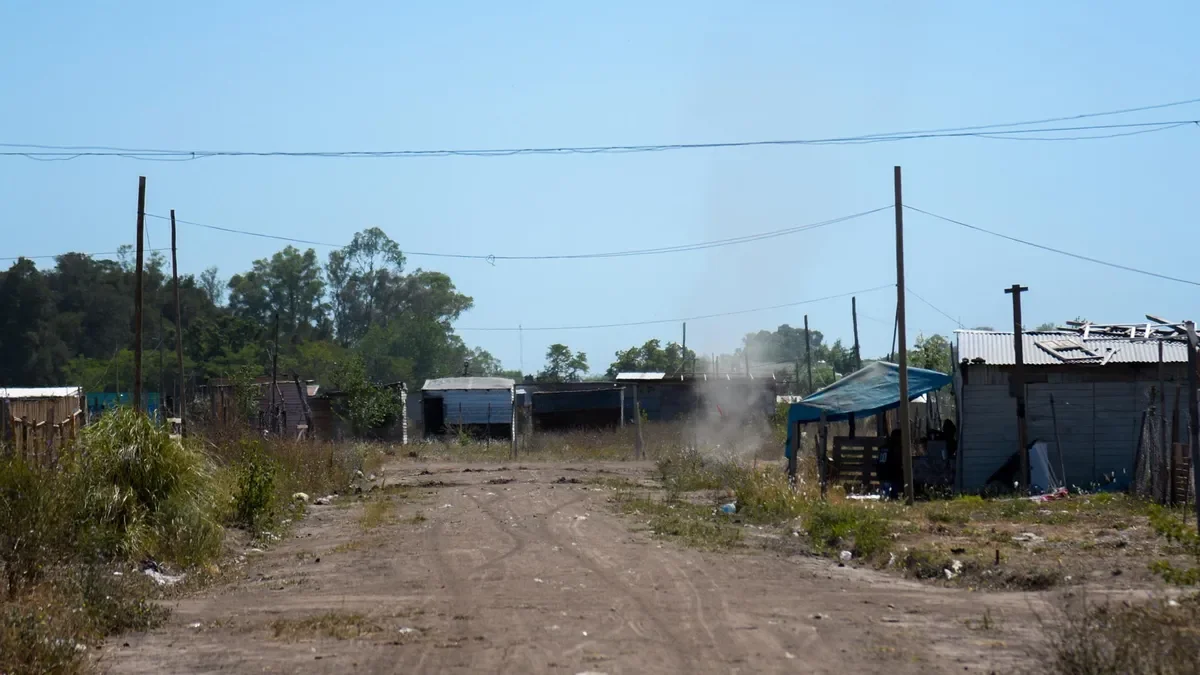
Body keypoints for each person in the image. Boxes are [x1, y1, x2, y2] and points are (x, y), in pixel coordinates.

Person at [877, 428, 904, 499]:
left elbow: (880, 462)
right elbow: (898, 462)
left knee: (884, 497)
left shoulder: (883, 447)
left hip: (882, 475)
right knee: (894, 497)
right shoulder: (896, 448)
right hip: (892, 476)